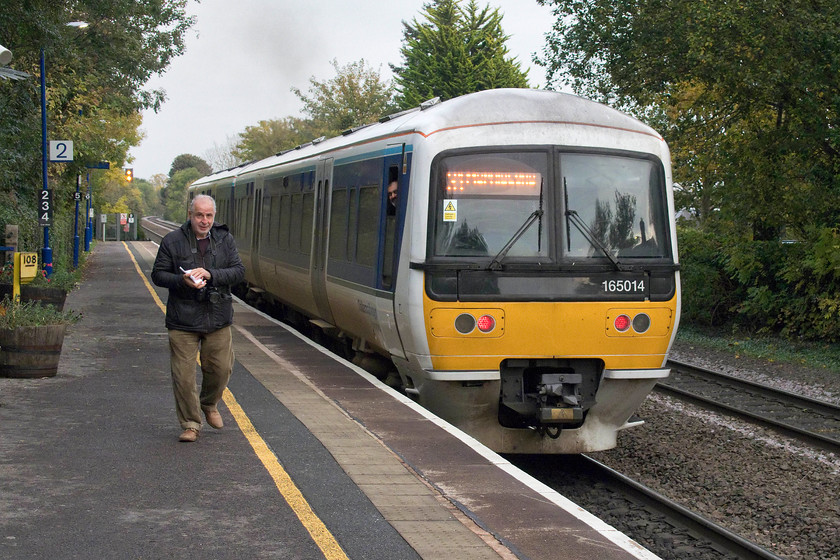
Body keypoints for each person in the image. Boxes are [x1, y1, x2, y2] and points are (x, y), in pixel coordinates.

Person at [151, 194, 245, 442]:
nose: (204, 221)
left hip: (217, 317)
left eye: (209, 216)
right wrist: (181, 281)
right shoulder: (172, 241)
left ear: (214, 216)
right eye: (199, 215)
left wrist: (211, 274)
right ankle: (191, 423)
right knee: (183, 375)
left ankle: (209, 403)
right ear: (190, 215)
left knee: (221, 369)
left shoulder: (225, 240)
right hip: (183, 318)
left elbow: (238, 271)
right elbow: (158, 275)